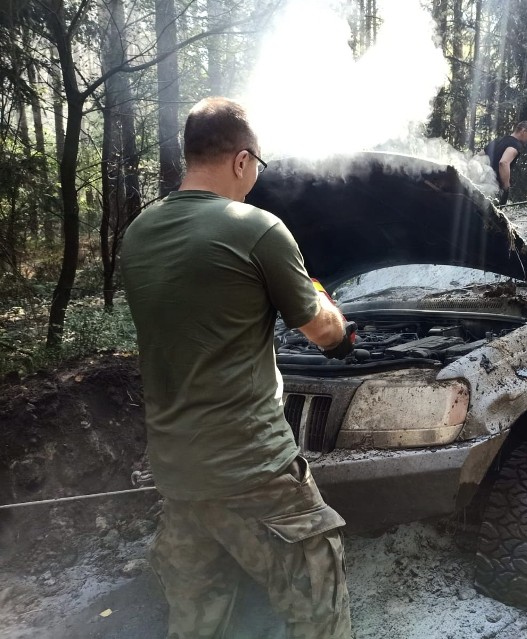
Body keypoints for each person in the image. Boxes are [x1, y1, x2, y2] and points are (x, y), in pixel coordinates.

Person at [121, 97, 353, 639]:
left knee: (199, 619)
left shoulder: (139, 233)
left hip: (178, 470)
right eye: (258, 167)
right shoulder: (257, 228)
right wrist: (335, 315)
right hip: (253, 466)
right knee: (318, 599)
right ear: (242, 159)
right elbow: (324, 332)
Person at [484, 121, 527, 205]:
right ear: (523, 131)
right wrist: (506, 188)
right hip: (493, 188)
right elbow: (503, 163)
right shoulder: (515, 145)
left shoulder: (498, 140)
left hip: (480, 183)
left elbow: (479, 156)